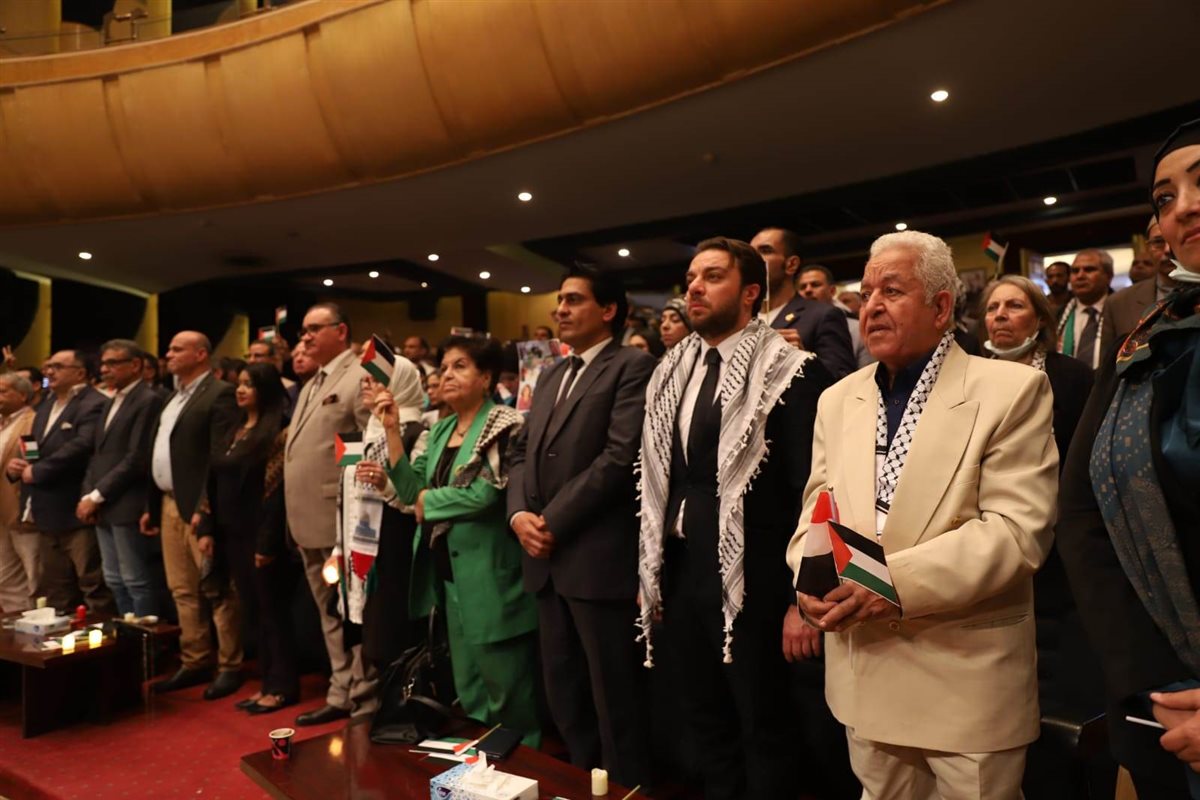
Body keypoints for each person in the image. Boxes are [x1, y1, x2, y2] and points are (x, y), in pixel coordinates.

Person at [788, 230, 1057, 799]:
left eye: (892, 290)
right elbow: (817, 512)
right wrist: (807, 578)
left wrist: (888, 583)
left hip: (964, 677)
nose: (872, 306)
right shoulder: (838, 399)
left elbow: (1016, 533)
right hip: (863, 667)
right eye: (866, 293)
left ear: (940, 307)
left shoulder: (1012, 389)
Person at [637, 237, 831, 799]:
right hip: (682, 571)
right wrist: (651, 573)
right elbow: (659, 480)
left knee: (765, 725)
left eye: (712, 277)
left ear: (750, 293)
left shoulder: (792, 371)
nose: (694, 288)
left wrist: (802, 600)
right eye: (691, 278)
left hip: (758, 579)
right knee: (704, 720)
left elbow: (813, 492)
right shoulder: (672, 370)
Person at [1058, 120, 1200, 798]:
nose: (1184, 208)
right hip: (1161, 697)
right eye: (1165, 198)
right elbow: (1082, 510)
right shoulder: (1147, 337)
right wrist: (1151, 679)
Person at [508, 266, 655, 786]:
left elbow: (619, 457)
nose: (560, 310)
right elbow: (521, 452)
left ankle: (626, 790)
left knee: (614, 699)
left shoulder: (632, 365)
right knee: (564, 693)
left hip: (595, 557)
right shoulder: (550, 373)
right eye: (560, 301)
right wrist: (519, 515)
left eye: (573, 300)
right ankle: (579, 785)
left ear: (608, 310)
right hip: (544, 557)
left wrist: (551, 520)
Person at [379, 337, 540, 743]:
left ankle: (524, 762)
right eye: (444, 367)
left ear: (485, 378)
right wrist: (392, 431)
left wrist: (426, 502)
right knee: (469, 685)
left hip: (491, 574)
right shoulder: (440, 429)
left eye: (460, 366)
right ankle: (483, 763)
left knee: (508, 689)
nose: (447, 374)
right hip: (449, 576)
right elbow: (410, 488)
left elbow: (485, 495)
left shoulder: (504, 423)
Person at [284, 303, 374, 726]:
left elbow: (364, 447)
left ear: (341, 331)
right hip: (307, 517)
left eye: (314, 329)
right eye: (303, 330)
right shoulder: (312, 382)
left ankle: (363, 695)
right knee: (329, 613)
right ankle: (341, 689)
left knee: (353, 612)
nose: (305, 337)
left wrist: (350, 510)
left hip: (341, 518)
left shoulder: (359, 376)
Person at [144, 332, 241, 698]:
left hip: (201, 507)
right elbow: (159, 452)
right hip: (168, 502)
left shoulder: (220, 394)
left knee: (216, 588)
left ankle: (229, 664)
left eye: (177, 349)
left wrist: (205, 509)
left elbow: (218, 459)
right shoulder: (173, 398)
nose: (167, 354)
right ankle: (195, 659)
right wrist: (151, 505)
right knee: (182, 589)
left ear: (201, 354)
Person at [199, 364, 299, 715]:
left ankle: (282, 687)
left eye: (249, 385)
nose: (240, 390)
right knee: (253, 612)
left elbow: (275, 493)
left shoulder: (278, 432)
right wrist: (207, 528)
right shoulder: (235, 429)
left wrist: (266, 543)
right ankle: (265, 684)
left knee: (273, 611)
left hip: (261, 535)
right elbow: (213, 481)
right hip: (232, 532)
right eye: (239, 384)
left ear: (266, 390)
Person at [5, 350, 111, 613]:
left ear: (80, 373)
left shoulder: (94, 402)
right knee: (55, 589)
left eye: (58, 367)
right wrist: (20, 464)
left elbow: (83, 445)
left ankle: (101, 638)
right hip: (45, 510)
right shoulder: (47, 403)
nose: (49, 372)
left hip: (76, 507)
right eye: (48, 366)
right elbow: (33, 445)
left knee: (92, 585)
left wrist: (38, 471)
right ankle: (62, 638)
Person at [338, 360, 427, 672]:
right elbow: (346, 498)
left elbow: (417, 500)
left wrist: (386, 484)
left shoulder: (418, 433)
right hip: (359, 549)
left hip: (395, 550)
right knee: (363, 636)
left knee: (392, 642)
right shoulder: (362, 434)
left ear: (400, 385)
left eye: (376, 380)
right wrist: (340, 546)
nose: (367, 385)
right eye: (364, 379)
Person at [78, 340, 164, 617]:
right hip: (103, 503)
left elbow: (137, 458)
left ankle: (145, 636)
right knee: (114, 579)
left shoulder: (147, 399)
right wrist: (88, 494)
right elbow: (98, 454)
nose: (104, 369)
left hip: (128, 502)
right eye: (103, 364)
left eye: (112, 363)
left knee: (135, 580)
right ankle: (127, 634)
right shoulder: (111, 400)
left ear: (135, 365)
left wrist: (96, 495)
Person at [749, 227, 857, 379]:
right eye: (751, 253)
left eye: (765, 251)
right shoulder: (742, 317)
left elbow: (844, 377)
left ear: (791, 264)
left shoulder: (823, 315)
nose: (754, 259)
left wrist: (803, 360)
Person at [1107, 216, 1182, 340]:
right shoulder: (1118, 303)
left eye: (1175, 238)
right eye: (1158, 242)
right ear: (1148, 249)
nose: (1167, 250)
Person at [0, 372, 36, 611]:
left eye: (3, 391)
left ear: (22, 395)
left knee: (32, 573)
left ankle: (34, 621)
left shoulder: (31, 422)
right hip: (1, 512)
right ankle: (12, 624)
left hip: (20, 508)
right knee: (4, 577)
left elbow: (33, 459)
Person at [797, 264, 874, 368]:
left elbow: (869, 372)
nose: (808, 290)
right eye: (802, 287)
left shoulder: (857, 328)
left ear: (832, 291)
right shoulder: (793, 327)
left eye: (815, 285)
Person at [1057, 249, 1114, 368]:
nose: (1080, 276)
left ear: (1108, 276)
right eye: (1075, 271)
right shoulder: (1057, 315)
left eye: (1089, 270)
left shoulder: (1121, 311)